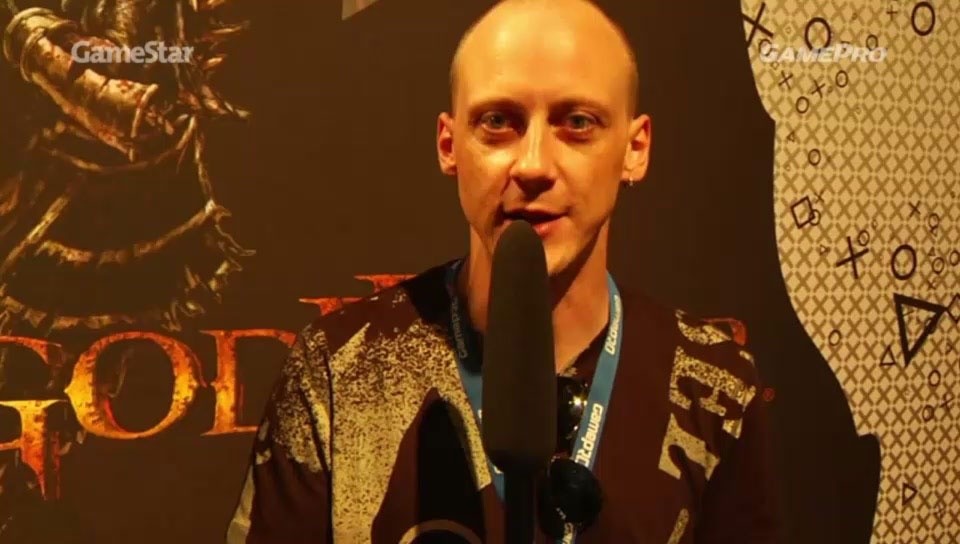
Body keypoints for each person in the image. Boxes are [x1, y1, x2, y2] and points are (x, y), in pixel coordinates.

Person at [226, 0, 779, 542]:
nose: (534, 164)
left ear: (635, 149)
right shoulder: (338, 369)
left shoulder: (716, 388)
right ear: (449, 146)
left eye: (578, 123)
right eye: (498, 122)